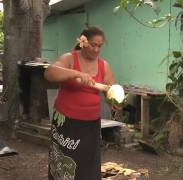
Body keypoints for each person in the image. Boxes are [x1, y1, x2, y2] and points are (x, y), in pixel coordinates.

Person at [44, 26, 116, 180]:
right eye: (93, 44)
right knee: (64, 160)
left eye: (100, 46)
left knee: (88, 163)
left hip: (90, 124)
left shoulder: (104, 66)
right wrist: (76, 73)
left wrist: (114, 101)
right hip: (66, 122)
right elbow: (49, 73)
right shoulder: (69, 58)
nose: (96, 49)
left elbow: (110, 91)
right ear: (83, 42)